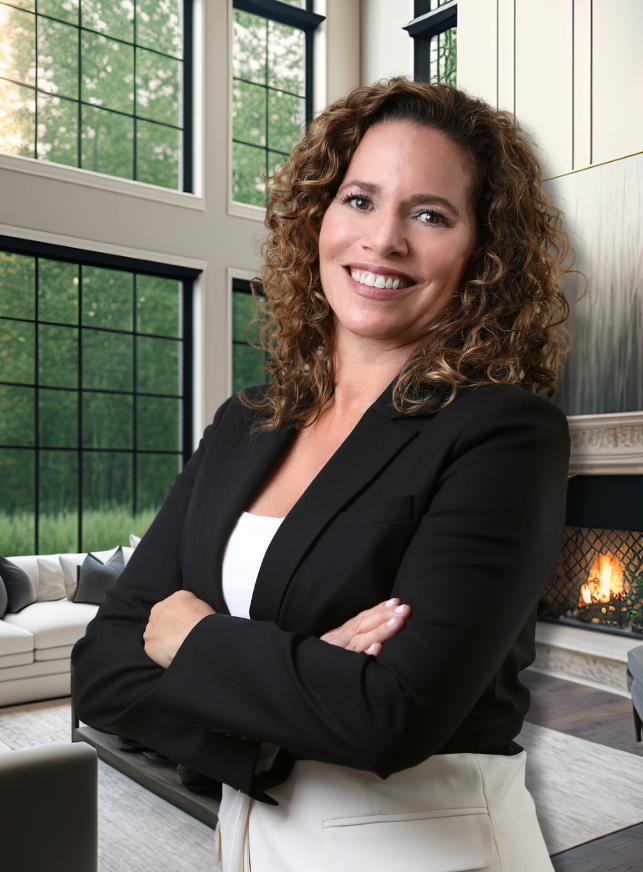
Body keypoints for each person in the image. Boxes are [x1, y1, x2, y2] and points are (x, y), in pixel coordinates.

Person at [71, 77, 572, 872]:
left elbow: (392, 715)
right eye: (360, 200)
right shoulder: (248, 421)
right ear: (318, 218)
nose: (384, 240)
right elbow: (101, 669)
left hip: (425, 851)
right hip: (251, 836)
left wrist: (194, 640)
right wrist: (298, 684)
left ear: (483, 254)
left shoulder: (502, 433)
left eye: (431, 214)